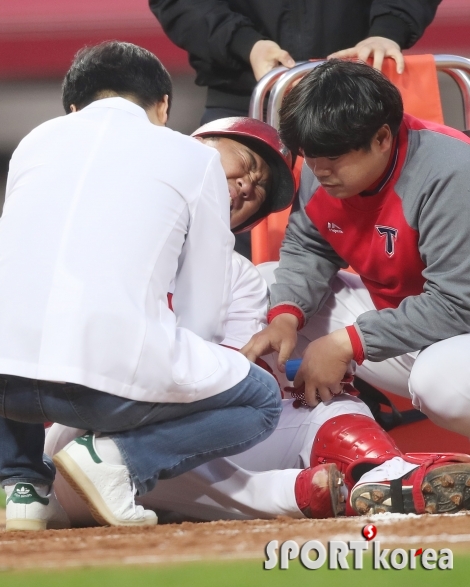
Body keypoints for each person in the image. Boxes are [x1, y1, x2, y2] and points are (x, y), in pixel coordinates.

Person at [45, 115, 470, 526]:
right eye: (244, 166)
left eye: (259, 191)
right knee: (106, 451)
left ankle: (386, 475)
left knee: (306, 402)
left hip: (195, 434)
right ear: (191, 150)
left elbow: (231, 384)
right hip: (90, 434)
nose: (249, 186)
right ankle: (305, 493)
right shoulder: (99, 232)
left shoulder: (238, 275)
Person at [0, 41, 283, 532]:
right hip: (101, 394)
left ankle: (20, 487)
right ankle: (116, 461)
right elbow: (204, 313)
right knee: (260, 399)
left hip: (7, 392)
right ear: (164, 106)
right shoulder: (191, 157)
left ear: (75, 106)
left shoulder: (35, 141)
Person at [149, 0, 442, 123]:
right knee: (241, 247)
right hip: (246, 101)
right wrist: (246, 45)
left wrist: (388, 29)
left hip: (361, 95)